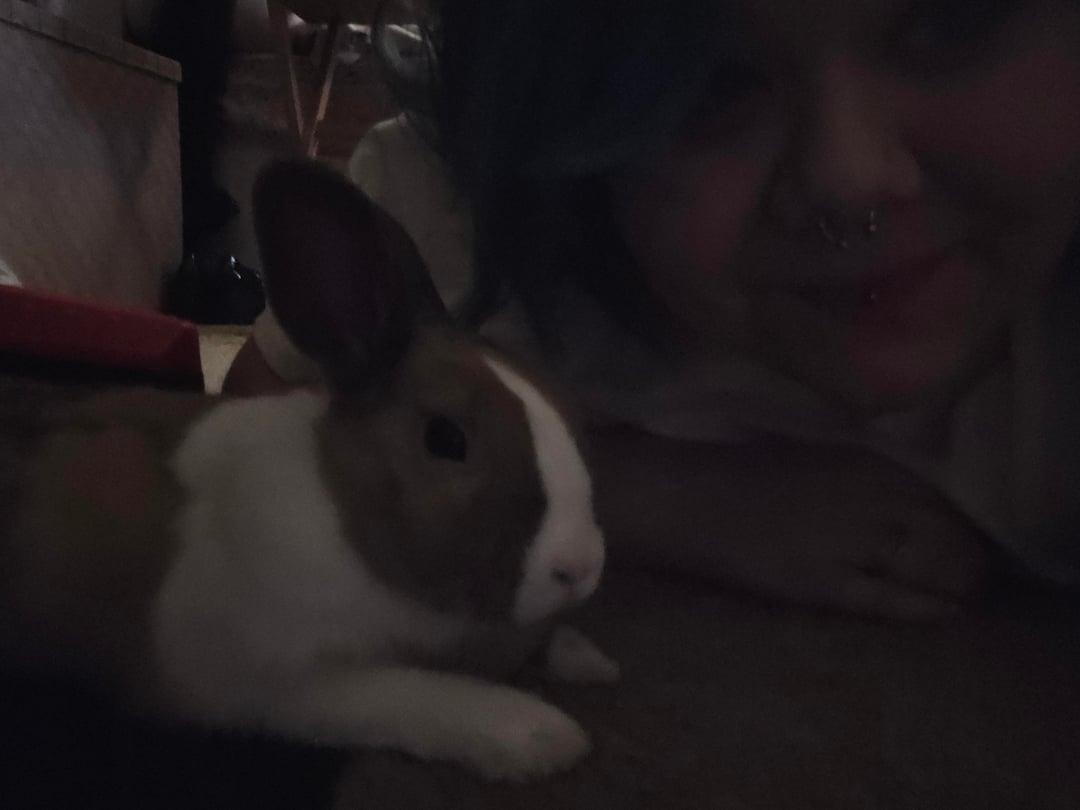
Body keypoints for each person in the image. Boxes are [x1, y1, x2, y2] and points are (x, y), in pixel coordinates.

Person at [224, 0, 1080, 620]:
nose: (848, 178)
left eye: (950, 21)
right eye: (709, 89)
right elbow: (261, 404)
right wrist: (659, 497)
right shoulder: (474, 227)